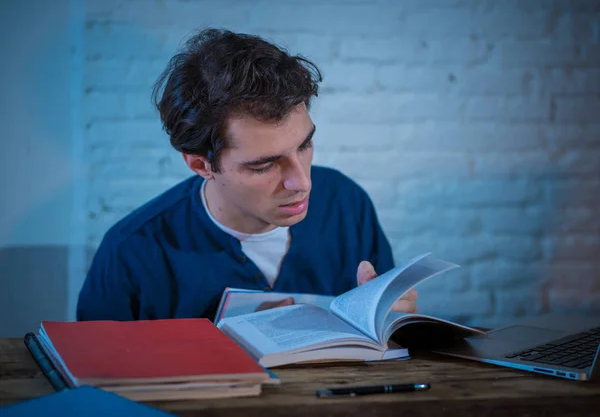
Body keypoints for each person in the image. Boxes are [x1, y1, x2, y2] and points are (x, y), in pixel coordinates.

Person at [76, 28, 418, 322]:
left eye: (304, 145)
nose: (302, 183)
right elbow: (97, 386)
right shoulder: (132, 252)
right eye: (264, 165)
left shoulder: (346, 202)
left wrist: (395, 324)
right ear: (201, 165)